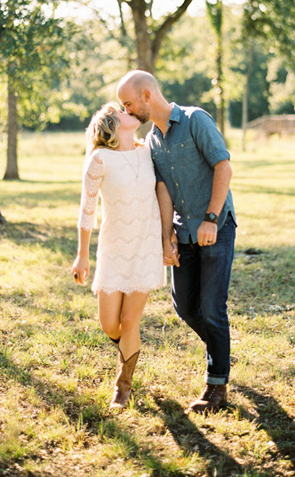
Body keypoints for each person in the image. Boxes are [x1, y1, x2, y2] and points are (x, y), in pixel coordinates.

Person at [117, 71, 236, 414]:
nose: (127, 111)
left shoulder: (196, 119)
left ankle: (216, 386)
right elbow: (164, 190)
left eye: (128, 104)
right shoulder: (153, 140)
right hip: (184, 233)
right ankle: (222, 350)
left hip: (216, 226)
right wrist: (166, 235)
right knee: (185, 307)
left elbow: (223, 168)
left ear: (147, 97)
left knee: (213, 308)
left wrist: (211, 219)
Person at [72, 102, 165, 410]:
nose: (131, 110)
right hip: (114, 249)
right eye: (123, 110)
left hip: (147, 245)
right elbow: (87, 211)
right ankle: (125, 347)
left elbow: (165, 192)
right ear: (112, 123)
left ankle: (122, 387)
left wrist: (168, 237)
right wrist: (82, 256)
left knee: (129, 320)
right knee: (110, 325)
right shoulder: (99, 159)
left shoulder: (148, 151)